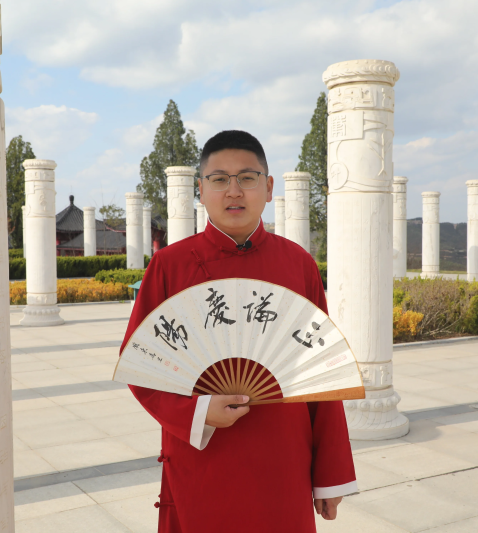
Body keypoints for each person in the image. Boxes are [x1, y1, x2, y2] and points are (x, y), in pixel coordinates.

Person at [119, 130, 357, 533]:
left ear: (268, 187)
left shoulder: (297, 264)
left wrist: (330, 474)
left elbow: (322, 372)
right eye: (219, 179)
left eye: (247, 178)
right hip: (202, 454)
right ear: (200, 190)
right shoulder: (170, 266)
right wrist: (197, 412)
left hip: (284, 457)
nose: (234, 191)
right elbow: (142, 367)